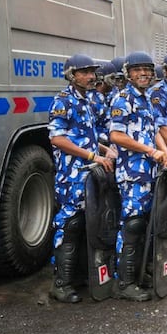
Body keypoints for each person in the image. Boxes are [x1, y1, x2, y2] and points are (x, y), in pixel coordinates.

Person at [47, 54, 115, 303]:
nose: (90, 76)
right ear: (71, 75)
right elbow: (57, 138)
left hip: (89, 173)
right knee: (70, 225)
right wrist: (91, 155)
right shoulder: (63, 100)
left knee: (88, 223)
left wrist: (104, 149)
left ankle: (80, 276)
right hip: (71, 175)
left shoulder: (88, 100)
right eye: (84, 72)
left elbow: (88, 133)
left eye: (91, 72)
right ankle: (61, 283)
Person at [109, 51, 167, 301]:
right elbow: (116, 136)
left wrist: (165, 154)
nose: (144, 73)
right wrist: (150, 151)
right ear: (128, 74)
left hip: (150, 171)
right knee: (132, 225)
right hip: (132, 173)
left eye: (147, 69)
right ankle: (123, 282)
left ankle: (136, 274)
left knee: (145, 223)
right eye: (137, 70)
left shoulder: (147, 99)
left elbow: (154, 130)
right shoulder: (122, 99)